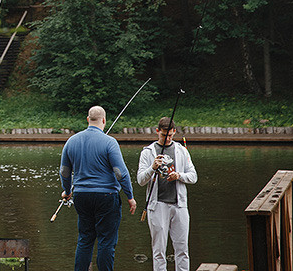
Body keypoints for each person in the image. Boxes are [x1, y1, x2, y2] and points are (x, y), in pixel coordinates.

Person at [59, 105, 137, 271]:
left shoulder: (71, 141)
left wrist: (67, 191)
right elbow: (120, 173)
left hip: (81, 196)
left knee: (85, 239)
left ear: (88, 119)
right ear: (104, 120)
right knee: (106, 241)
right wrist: (130, 196)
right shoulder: (110, 142)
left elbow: (64, 172)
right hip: (106, 197)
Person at [136, 117, 197, 271]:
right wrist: (152, 168)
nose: (167, 138)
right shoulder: (147, 152)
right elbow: (140, 180)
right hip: (157, 206)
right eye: (164, 135)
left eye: (170, 135)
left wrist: (179, 176)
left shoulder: (181, 150)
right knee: (159, 251)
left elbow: (193, 176)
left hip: (179, 205)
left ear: (174, 132)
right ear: (158, 132)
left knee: (182, 249)